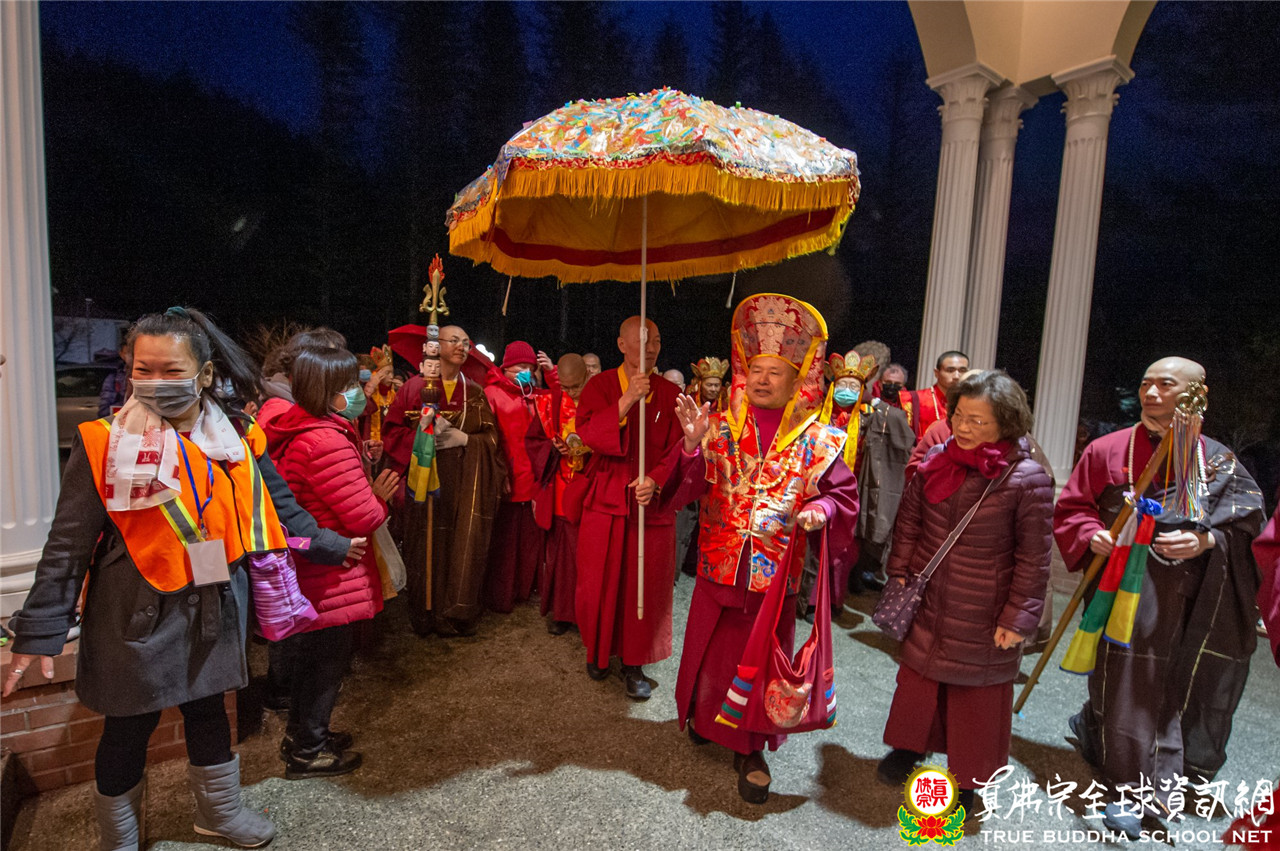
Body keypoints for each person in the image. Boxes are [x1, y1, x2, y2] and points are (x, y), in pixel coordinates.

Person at [4, 307, 360, 850]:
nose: (155, 383)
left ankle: (220, 813)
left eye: (171, 371)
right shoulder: (102, 441)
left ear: (205, 373)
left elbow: (280, 506)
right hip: (135, 612)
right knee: (128, 727)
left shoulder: (238, 434)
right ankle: (119, 838)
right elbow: (67, 543)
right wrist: (39, 629)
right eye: (142, 370)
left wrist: (332, 545)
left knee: (210, 711)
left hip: (215, 601)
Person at [1053, 357, 1265, 838]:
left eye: (1165, 384)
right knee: (1128, 683)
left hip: (1194, 596)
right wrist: (1090, 534)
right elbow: (1073, 507)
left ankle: (1155, 767)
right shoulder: (1108, 449)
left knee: (1180, 685)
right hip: (1125, 590)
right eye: (1146, 383)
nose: (1150, 393)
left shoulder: (1215, 459)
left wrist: (1207, 540)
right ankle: (1129, 789)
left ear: (1195, 395)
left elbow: (1248, 523)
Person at [668, 293, 859, 804]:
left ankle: (751, 749)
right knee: (712, 652)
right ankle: (705, 717)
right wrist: (689, 447)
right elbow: (685, 489)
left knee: (760, 660)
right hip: (719, 563)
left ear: (798, 383)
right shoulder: (718, 428)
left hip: (774, 576)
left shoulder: (818, 439)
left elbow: (843, 496)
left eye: (776, 372)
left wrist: (823, 510)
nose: (762, 379)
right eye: (755, 369)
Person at [877, 370, 1053, 823]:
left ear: (1006, 423)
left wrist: (1017, 618)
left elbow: (1035, 557)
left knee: (977, 698)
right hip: (930, 593)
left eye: (979, 420)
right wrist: (899, 572)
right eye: (959, 415)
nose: (964, 427)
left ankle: (970, 781)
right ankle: (908, 748)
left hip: (984, 605)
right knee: (918, 682)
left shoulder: (1026, 477)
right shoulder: (939, 457)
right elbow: (910, 522)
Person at [262, 346, 400, 779]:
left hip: (315, 564)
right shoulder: (325, 441)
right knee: (325, 664)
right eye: (350, 385)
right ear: (327, 390)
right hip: (332, 571)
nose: (358, 391)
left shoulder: (304, 427)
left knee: (313, 660)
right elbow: (363, 516)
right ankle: (308, 750)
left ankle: (305, 734)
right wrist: (379, 497)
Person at [574, 316, 684, 700]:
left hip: (648, 504)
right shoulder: (601, 386)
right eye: (641, 339)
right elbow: (586, 435)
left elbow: (678, 449)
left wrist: (656, 479)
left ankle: (635, 662)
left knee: (644, 586)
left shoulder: (670, 393)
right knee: (599, 582)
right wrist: (626, 400)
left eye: (656, 340)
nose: (650, 347)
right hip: (606, 497)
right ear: (621, 345)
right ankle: (598, 650)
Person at [383, 325, 505, 637]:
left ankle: (455, 611)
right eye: (454, 340)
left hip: (464, 480)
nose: (462, 346)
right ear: (435, 346)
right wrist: (420, 436)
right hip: (425, 480)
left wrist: (465, 439)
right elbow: (391, 433)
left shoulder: (474, 391)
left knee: (460, 543)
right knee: (424, 542)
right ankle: (424, 613)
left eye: (466, 342)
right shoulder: (415, 388)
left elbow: (491, 439)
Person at [527, 353, 592, 635]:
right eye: (566, 387)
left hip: (589, 488)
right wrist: (553, 449)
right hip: (559, 488)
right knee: (559, 556)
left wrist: (589, 448)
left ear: (587, 377)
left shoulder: (600, 401)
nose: (571, 392)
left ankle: (585, 614)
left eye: (576, 386)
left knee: (585, 556)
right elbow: (533, 441)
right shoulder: (550, 403)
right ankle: (561, 613)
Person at [484, 341, 549, 613]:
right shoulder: (492, 393)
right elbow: (489, 439)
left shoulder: (534, 394)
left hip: (533, 475)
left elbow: (560, 405)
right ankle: (502, 594)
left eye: (531, 368)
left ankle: (525, 588)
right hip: (508, 473)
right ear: (506, 367)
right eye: (521, 366)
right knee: (506, 540)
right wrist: (500, 472)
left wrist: (551, 373)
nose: (527, 372)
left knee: (529, 537)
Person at [901, 350, 969, 439]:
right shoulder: (913, 399)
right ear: (937, 373)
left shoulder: (971, 403)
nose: (956, 376)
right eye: (950, 370)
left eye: (962, 371)